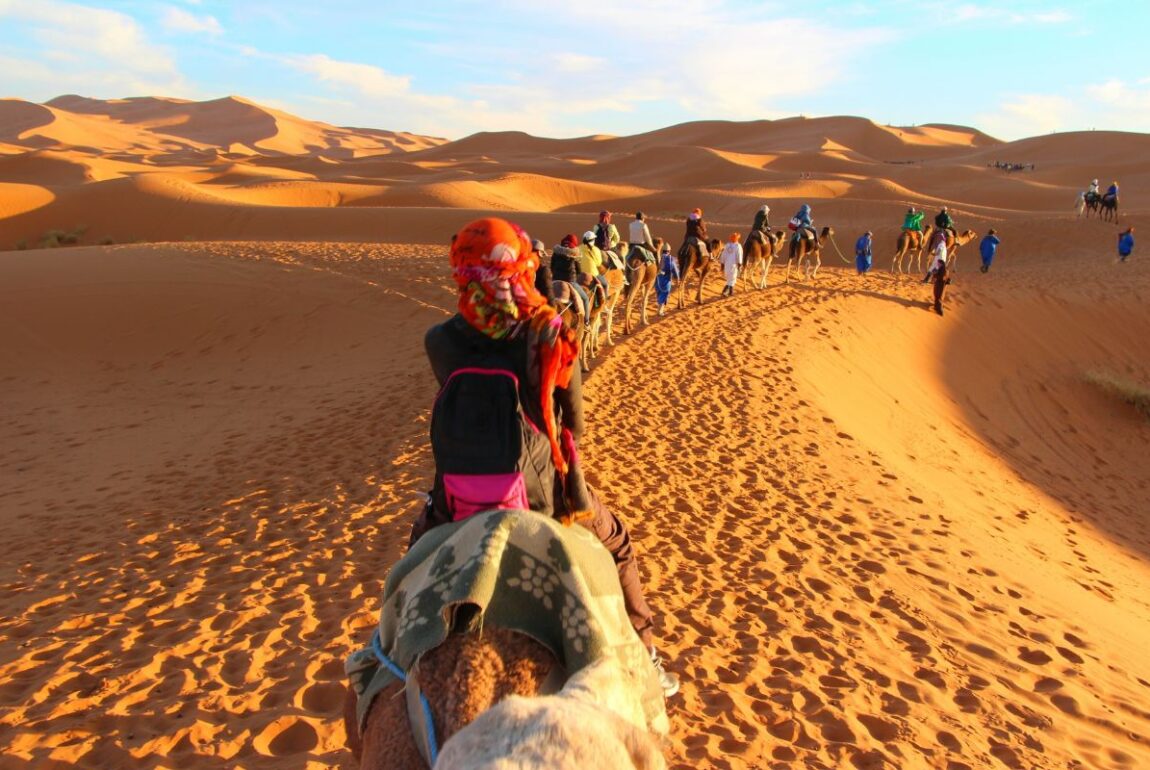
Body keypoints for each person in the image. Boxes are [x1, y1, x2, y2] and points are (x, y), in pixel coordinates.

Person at [414, 217, 678, 697]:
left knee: (412, 565)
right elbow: (573, 425)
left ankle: (388, 661)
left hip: (456, 498)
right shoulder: (549, 331)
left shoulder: (440, 340)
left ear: (461, 267)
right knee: (618, 546)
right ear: (521, 264)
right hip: (543, 494)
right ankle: (646, 660)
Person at [551, 233, 590, 318]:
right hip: (570, 281)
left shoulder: (556, 253)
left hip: (555, 280)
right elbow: (579, 271)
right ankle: (587, 322)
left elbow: (552, 267)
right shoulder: (575, 254)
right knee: (585, 299)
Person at [579, 230, 608, 294]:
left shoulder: (578, 248)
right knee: (605, 285)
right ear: (593, 240)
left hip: (581, 273)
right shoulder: (596, 250)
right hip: (593, 274)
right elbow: (598, 263)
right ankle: (605, 302)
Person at [654, 242, 679, 316]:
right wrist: (677, 278)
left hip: (657, 280)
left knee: (659, 294)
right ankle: (660, 311)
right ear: (669, 251)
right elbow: (674, 269)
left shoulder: (658, 257)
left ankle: (659, 309)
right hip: (666, 280)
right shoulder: (670, 258)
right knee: (664, 294)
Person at [929, 236, 949, 316]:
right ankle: (938, 306)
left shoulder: (940, 245)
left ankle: (938, 308)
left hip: (939, 285)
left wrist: (934, 274)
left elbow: (938, 275)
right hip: (942, 285)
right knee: (940, 296)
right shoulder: (945, 269)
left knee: (938, 296)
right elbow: (947, 278)